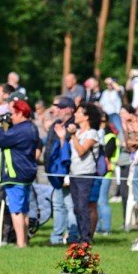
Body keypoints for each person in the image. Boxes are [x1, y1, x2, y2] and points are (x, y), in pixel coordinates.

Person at [0, 100, 41, 248]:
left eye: (12, 114)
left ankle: (21, 243)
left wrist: (0, 125)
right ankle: (24, 241)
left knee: (16, 210)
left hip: (16, 174)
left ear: (20, 113)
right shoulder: (31, 127)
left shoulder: (21, 130)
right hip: (25, 172)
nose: (10, 117)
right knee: (24, 209)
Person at [55, 101, 101, 243]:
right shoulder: (78, 132)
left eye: (79, 112)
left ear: (87, 117)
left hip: (86, 174)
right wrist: (64, 137)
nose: (75, 114)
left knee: (83, 206)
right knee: (77, 208)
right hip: (74, 173)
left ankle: (86, 238)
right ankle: (82, 236)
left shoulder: (92, 133)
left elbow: (81, 151)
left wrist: (73, 135)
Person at [44, 96, 79, 245]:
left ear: (70, 110)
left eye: (61, 107)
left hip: (68, 171)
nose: (57, 110)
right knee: (58, 205)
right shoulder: (56, 124)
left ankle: (72, 236)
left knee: (70, 206)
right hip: (55, 172)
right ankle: (57, 237)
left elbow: (70, 150)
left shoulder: (73, 126)